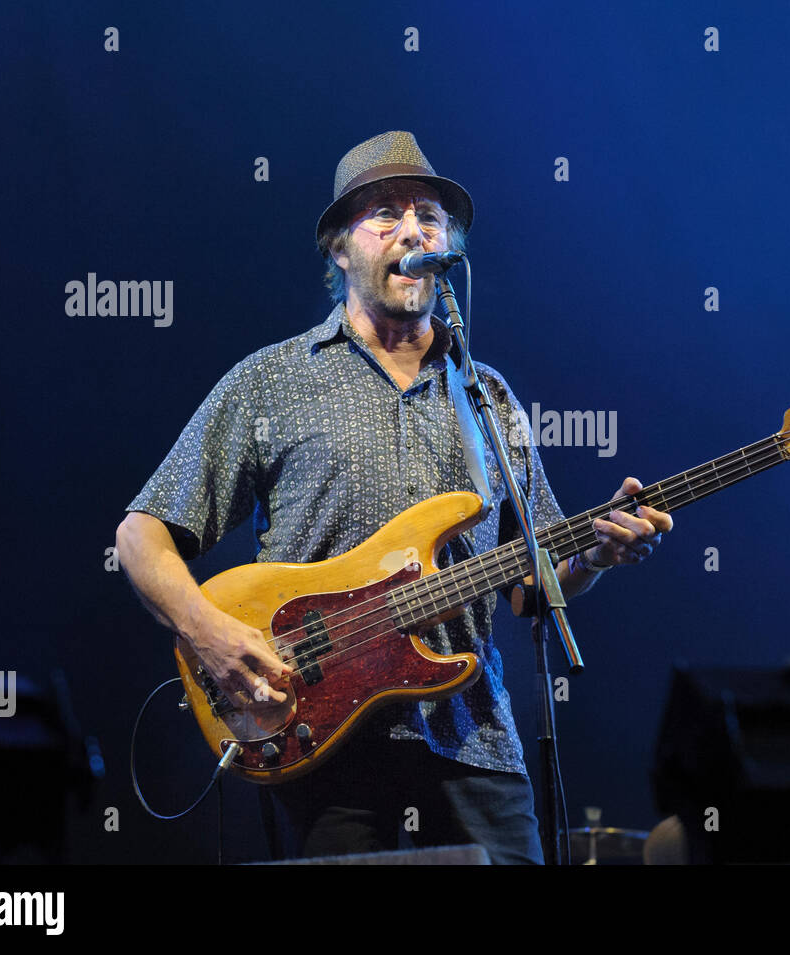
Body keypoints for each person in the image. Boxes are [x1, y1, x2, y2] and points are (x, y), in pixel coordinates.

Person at [115, 130, 672, 864]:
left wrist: (595, 553)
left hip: (473, 733)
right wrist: (210, 635)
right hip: (320, 736)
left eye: (428, 216)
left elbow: (532, 587)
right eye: (384, 213)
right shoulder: (271, 381)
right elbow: (140, 533)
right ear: (340, 249)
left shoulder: (489, 396)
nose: (412, 228)